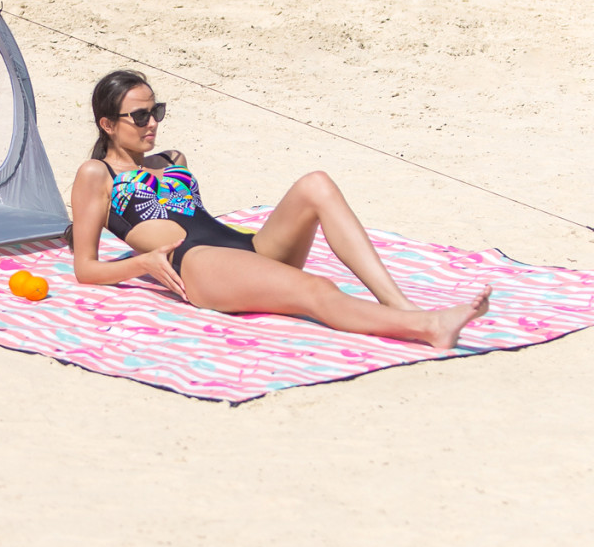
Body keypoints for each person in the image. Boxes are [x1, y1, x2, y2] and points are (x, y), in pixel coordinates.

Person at [68, 69, 490, 349]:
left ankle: (400, 305)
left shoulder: (171, 159)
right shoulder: (96, 174)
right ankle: (428, 327)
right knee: (316, 289)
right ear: (108, 124)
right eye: (140, 116)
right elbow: (85, 268)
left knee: (316, 183)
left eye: (156, 111)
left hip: (244, 248)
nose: (153, 123)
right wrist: (141, 264)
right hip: (198, 264)